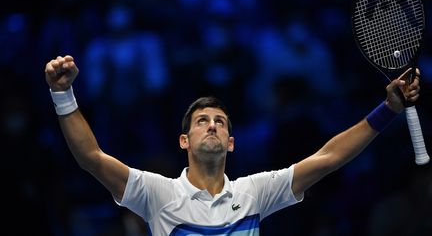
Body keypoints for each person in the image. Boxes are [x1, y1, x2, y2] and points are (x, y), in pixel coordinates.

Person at [45, 55, 421, 235]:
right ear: (184, 140)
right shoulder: (156, 193)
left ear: (231, 142)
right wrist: (63, 95)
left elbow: (330, 157)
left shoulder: (254, 192)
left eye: (220, 122)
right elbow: (91, 158)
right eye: (201, 121)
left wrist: (387, 109)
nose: (211, 126)